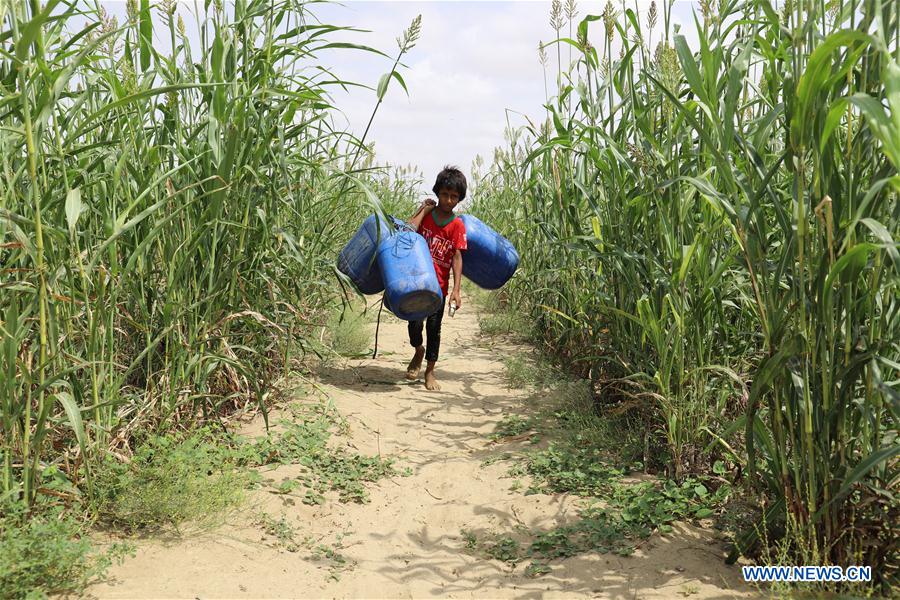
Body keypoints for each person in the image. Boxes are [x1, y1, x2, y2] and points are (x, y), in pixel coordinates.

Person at [405, 166, 468, 391]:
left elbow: (457, 257)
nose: (448, 200)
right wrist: (423, 209)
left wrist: (456, 290)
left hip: (438, 288)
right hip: (416, 283)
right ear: (437, 192)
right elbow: (408, 230)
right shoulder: (428, 216)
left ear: (459, 199)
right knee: (414, 323)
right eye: (444, 194)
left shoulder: (457, 225)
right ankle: (418, 350)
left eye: (454, 197)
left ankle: (430, 371)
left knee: (434, 328)